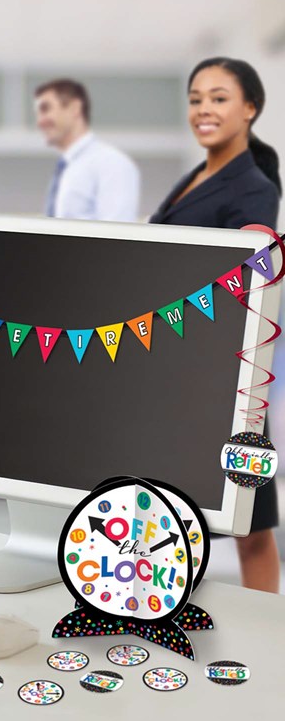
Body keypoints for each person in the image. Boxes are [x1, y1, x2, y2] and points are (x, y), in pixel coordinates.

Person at [150, 57, 281, 593]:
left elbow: (239, 278)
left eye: (219, 97)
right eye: (196, 97)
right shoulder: (197, 177)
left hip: (224, 375)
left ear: (250, 108)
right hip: (177, 368)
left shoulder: (251, 188)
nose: (204, 108)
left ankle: (267, 643)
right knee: (175, 515)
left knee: (250, 522)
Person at [34, 78, 140, 222]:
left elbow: (117, 237)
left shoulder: (112, 164)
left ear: (75, 108)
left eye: (45, 109)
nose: (40, 122)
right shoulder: (66, 169)